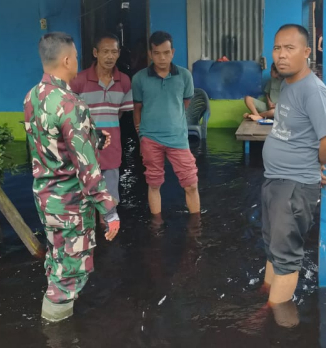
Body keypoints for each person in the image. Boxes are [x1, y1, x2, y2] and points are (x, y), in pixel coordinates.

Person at [23, 32, 120, 323]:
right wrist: (110, 210)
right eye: (76, 56)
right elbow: (89, 171)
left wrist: (93, 137)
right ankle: (55, 330)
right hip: (70, 205)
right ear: (66, 60)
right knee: (69, 277)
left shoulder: (32, 97)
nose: (78, 61)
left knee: (57, 262)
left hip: (45, 199)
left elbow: (52, 143)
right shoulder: (71, 104)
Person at [261, 24, 326, 324]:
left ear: (307, 52)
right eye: (277, 48)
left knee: (286, 260)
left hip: (293, 188)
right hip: (277, 181)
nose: (281, 55)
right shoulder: (288, 85)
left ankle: (280, 326)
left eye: (289, 48)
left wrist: (313, 165)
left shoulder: (312, 90)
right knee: (274, 247)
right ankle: (266, 296)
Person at [132, 31, 200, 216]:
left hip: (178, 138)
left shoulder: (185, 76)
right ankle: (157, 226)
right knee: (154, 184)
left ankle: (196, 228)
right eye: (157, 53)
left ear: (173, 52)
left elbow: (184, 104)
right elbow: (137, 108)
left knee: (191, 184)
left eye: (166, 52)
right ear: (150, 54)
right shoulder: (139, 78)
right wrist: (141, 135)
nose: (162, 57)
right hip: (150, 139)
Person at [70, 33, 134, 217]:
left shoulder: (124, 81)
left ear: (119, 53)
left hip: (112, 149)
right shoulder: (79, 81)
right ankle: (93, 241)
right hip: (84, 150)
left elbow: (120, 113)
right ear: (95, 53)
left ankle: (108, 237)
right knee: (85, 201)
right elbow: (71, 117)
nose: (110, 56)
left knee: (109, 202)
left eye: (114, 52)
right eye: (105, 51)